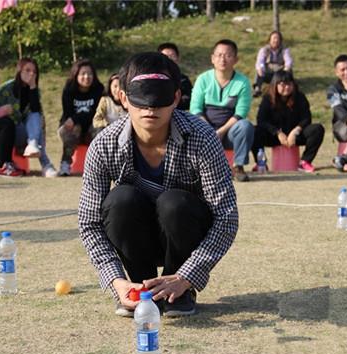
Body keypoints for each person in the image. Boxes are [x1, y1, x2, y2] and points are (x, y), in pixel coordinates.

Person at [78, 52, 238, 318]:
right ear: (124, 98)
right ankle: (140, 287)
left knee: (174, 203)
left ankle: (179, 291)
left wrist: (187, 276)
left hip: (183, 239)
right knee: (121, 200)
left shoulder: (203, 138)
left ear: (176, 97)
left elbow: (226, 218)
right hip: (135, 237)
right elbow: (89, 223)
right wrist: (116, 280)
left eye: (159, 99)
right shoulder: (103, 145)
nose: (150, 109)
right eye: (141, 100)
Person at [190, 39, 256, 182]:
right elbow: (195, 109)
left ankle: (238, 167)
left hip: (229, 132)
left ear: (236, 59)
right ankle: (194, 169)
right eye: (219, 55)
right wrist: (209, 130)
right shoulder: (203, 79)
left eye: (228, 55)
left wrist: (221, 132)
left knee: (246, 126)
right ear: (212, 58)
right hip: (204, 129)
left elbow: (241, 113)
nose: (222, 59)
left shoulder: (243, 82)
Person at [252, 71, 324, 173]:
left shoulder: (300, 97)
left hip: (295, 137)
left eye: (289, 84)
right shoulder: (267, 99)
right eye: (282, 84)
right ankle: (261, 162)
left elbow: (306, 118)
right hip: (274, 137)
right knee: (254, 131)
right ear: (275, 85)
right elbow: (262, 120)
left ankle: (305, 162)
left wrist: (295, 131)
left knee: (317, 129)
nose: (286, 87)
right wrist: (277, 132)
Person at [0, 57, 56, 177]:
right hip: (9, 134)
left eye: (34, 72)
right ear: (19, 71)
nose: (31, 74)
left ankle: (33, 144)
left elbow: (37, 113)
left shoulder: (35, 90)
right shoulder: (6, 89)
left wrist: (32, 87)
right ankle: (46, 165)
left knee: (35, 116)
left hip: (29, 134)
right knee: (34, 130)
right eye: (27, 70)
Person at [57, 59, 104, 176]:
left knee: (100, 127)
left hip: (91, 128)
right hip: (73, 129)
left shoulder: (98, 89)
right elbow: (68, 114)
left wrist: (76, 118)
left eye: (90, 73)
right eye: (83, 74)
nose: (87, 77)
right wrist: (74, 120)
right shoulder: (68, 90)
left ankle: (99, 166)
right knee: (72, 128)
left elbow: (96, 113)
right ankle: (65, 163)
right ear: (76, 75)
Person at [252, 31, 293, 98]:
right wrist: (260, 69)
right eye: (274, 38)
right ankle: (257, 89)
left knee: (289, 71)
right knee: (259, 70)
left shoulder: (285, 50)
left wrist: (285, 70)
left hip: (279, 73)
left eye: (277, 39)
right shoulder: (264, 50)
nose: (276, 40)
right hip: (268, 73)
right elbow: (260, 61)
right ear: (270, 40)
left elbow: (288, 61)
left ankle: (285, 89)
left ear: (280, 40)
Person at [158, 42, 193, 111]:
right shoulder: (153, 79)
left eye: (172, 56)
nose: (169, 59)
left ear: (178, 58)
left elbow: (189, 101)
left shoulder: (184, 80)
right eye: (165, 56)